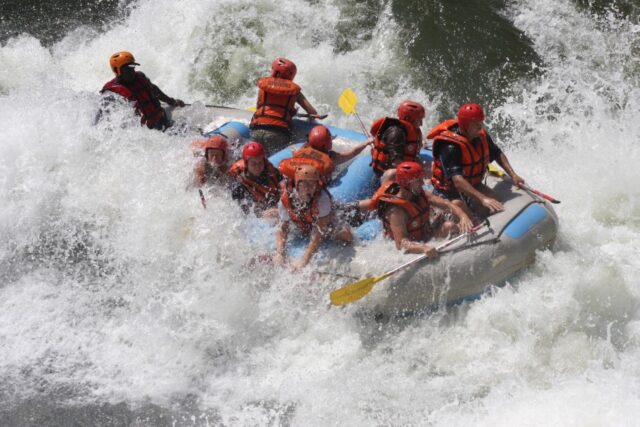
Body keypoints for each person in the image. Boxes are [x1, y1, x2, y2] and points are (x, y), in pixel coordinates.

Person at [428, 103, 525, 217]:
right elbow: (457, 182)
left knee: (495, 200)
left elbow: (497, 153)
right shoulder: (450, 146)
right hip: (448, 191)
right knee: (460, 207)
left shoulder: (480, 135)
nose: (480, 127)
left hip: (473, 184)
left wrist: (513, 174)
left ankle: (480, 217)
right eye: (476, 124)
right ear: (465, 125)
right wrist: (483, 199)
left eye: (481, 122)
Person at [366, 161, 473, 256]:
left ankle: (474, 227)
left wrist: (463, 216)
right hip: (415, 244)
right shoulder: (396, 211)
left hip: (425, 232)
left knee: (456, 209)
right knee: (450, 226)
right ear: (406, 184)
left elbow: (446, 204)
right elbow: (401, 243)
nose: (422, 183)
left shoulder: (419, 193)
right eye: (418, 180)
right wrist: (423, 248)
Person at [275, 165, 353, 270]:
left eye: (312, 184)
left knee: (347, 236)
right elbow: (283, 228)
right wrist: (279, 253)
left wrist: (305, 260)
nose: (309, 189)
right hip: (304, 224)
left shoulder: (322, 199)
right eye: (305, 184)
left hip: (326, 222)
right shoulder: (286, 199)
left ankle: (363, 206)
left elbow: (319, 231)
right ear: (297, 185)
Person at [249, 57, 321, 155]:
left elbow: (259, 106)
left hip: (257, 130)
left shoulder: (263, 87)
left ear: (275, 71)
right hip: (278, 133)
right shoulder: (295, 92)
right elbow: (313, 113)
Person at [100, 51, 185, 131]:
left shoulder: (140, 77)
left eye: (133, 67)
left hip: (161, 119)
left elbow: (154, 90)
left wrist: (172, 101)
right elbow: (105, 117)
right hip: (147, 131)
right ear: (117, 70)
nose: (132, 71)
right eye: (128, 69)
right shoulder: (112, 93)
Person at [278, 124, 370, 184]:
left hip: (295, 184)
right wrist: (366, 143)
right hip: (313, 190)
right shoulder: (331, 157)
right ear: (328, 144)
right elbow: (353, 153)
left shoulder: (303, 148)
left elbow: (294, 152)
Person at [370, 101, 426, 179]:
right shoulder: (396, 133)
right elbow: (396, 163)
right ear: (409, 119)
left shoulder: (406, 131)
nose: (421, 124)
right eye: (419, 120)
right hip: (386, 175)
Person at [228, 142, 283, 217]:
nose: (257, 167)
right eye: (253, 164)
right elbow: (243, 213)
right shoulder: (238, 184)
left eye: (260, 163)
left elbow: (286, 190)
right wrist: (261, 214)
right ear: (247, 164)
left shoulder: (272, 172)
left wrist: (280, 209)